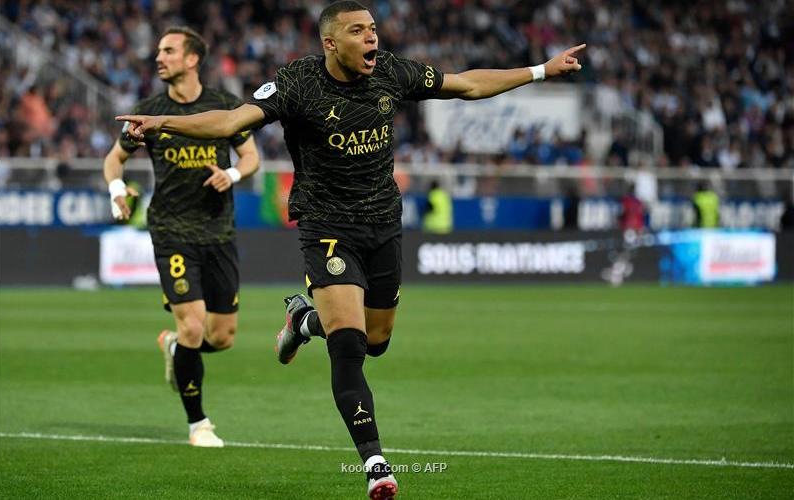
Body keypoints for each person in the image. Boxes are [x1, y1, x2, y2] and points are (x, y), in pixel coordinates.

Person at [117, 2, 584, 496]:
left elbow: (467, 85)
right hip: (327, 227)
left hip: (383, 225)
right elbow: (232, 121)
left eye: (373, 29)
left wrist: (540, 70)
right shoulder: (297, 83)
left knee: (376, 340)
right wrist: (164, 123)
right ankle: (376, 465)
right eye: (358, 31)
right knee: (349, 345)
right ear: (330, 43)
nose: (371, 38)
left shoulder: (390, 72)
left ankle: (303, 321)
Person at [104, 26, 260, 448]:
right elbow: (114, 159)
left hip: (218, 231)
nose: (159, 57)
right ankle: (198, 425)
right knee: (192, 326)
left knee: (221, 337)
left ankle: (176, 350)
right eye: (158, 51)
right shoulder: (149, 112)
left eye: (169, 50)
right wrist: (117, 189)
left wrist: (231, 175)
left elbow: (251, 157)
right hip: (171, 232)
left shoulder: (225, 106)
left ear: (192, 59)